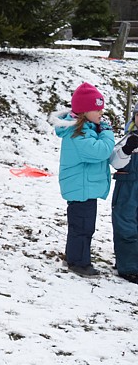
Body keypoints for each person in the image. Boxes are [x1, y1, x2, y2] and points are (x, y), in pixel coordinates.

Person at [50, 82, 115, 277]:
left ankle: (78, 258)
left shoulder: (85, 130)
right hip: (81, 188)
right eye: (97, 110)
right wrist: (107, 132)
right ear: (85, 111)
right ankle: (78, 262)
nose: (101, 115)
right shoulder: (78, 133)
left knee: (84, 226)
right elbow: (101, 151)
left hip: (84, 187)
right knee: (82, 227)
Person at [109, 103, 138, 284]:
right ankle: (128, 266)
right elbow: (115, 160)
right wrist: (127, 150)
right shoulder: (128, 137)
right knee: (125, 225)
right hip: (127, 186)